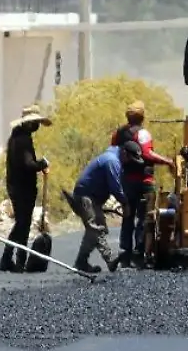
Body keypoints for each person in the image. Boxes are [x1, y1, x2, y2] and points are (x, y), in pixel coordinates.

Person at [111, 102, 172, 267]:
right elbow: (147, 154)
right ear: (142, 117)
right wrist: (167, 161)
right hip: (144, 181)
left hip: (126, 180)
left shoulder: (119, 133)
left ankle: (125, 255)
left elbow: (114, 150)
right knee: (145, 218)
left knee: (127, 217)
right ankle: (139, 254)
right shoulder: (143, 133)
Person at [1, 105, 53, 272]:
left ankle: (7, 258)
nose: (37, 126)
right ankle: (19, 262)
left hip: (15, 185)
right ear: (28, 124)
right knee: (23, 224)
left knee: (21, 223)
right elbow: (28, 164)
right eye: (35, 122)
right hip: (22, 188)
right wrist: (42, 163)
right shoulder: (23, 140)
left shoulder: (15, 137)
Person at [70, 142, 128, 273]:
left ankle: (81, 262)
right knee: (96, 228)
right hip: (86, 196)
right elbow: (116, 188)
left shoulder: (111, 158)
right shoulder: (112, 161)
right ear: (124, 152)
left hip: (91, 197)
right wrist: (125, 203)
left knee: (95, 230)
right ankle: (110, 259)